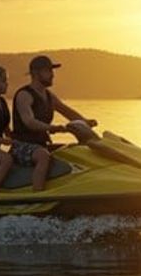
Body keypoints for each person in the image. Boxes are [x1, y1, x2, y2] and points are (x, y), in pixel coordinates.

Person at [10, 55, 99, 192]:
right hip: (21, 146)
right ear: (35, 73)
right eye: (48, 71)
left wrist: (85, 122)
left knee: (73, 150)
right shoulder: (24, 95)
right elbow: (29, 121)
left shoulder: (48, 96)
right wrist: (52, 128)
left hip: (41, 144)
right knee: (43, 157)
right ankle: (37, 195)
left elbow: (67, 112)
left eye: (52, 71)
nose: (52, 75)